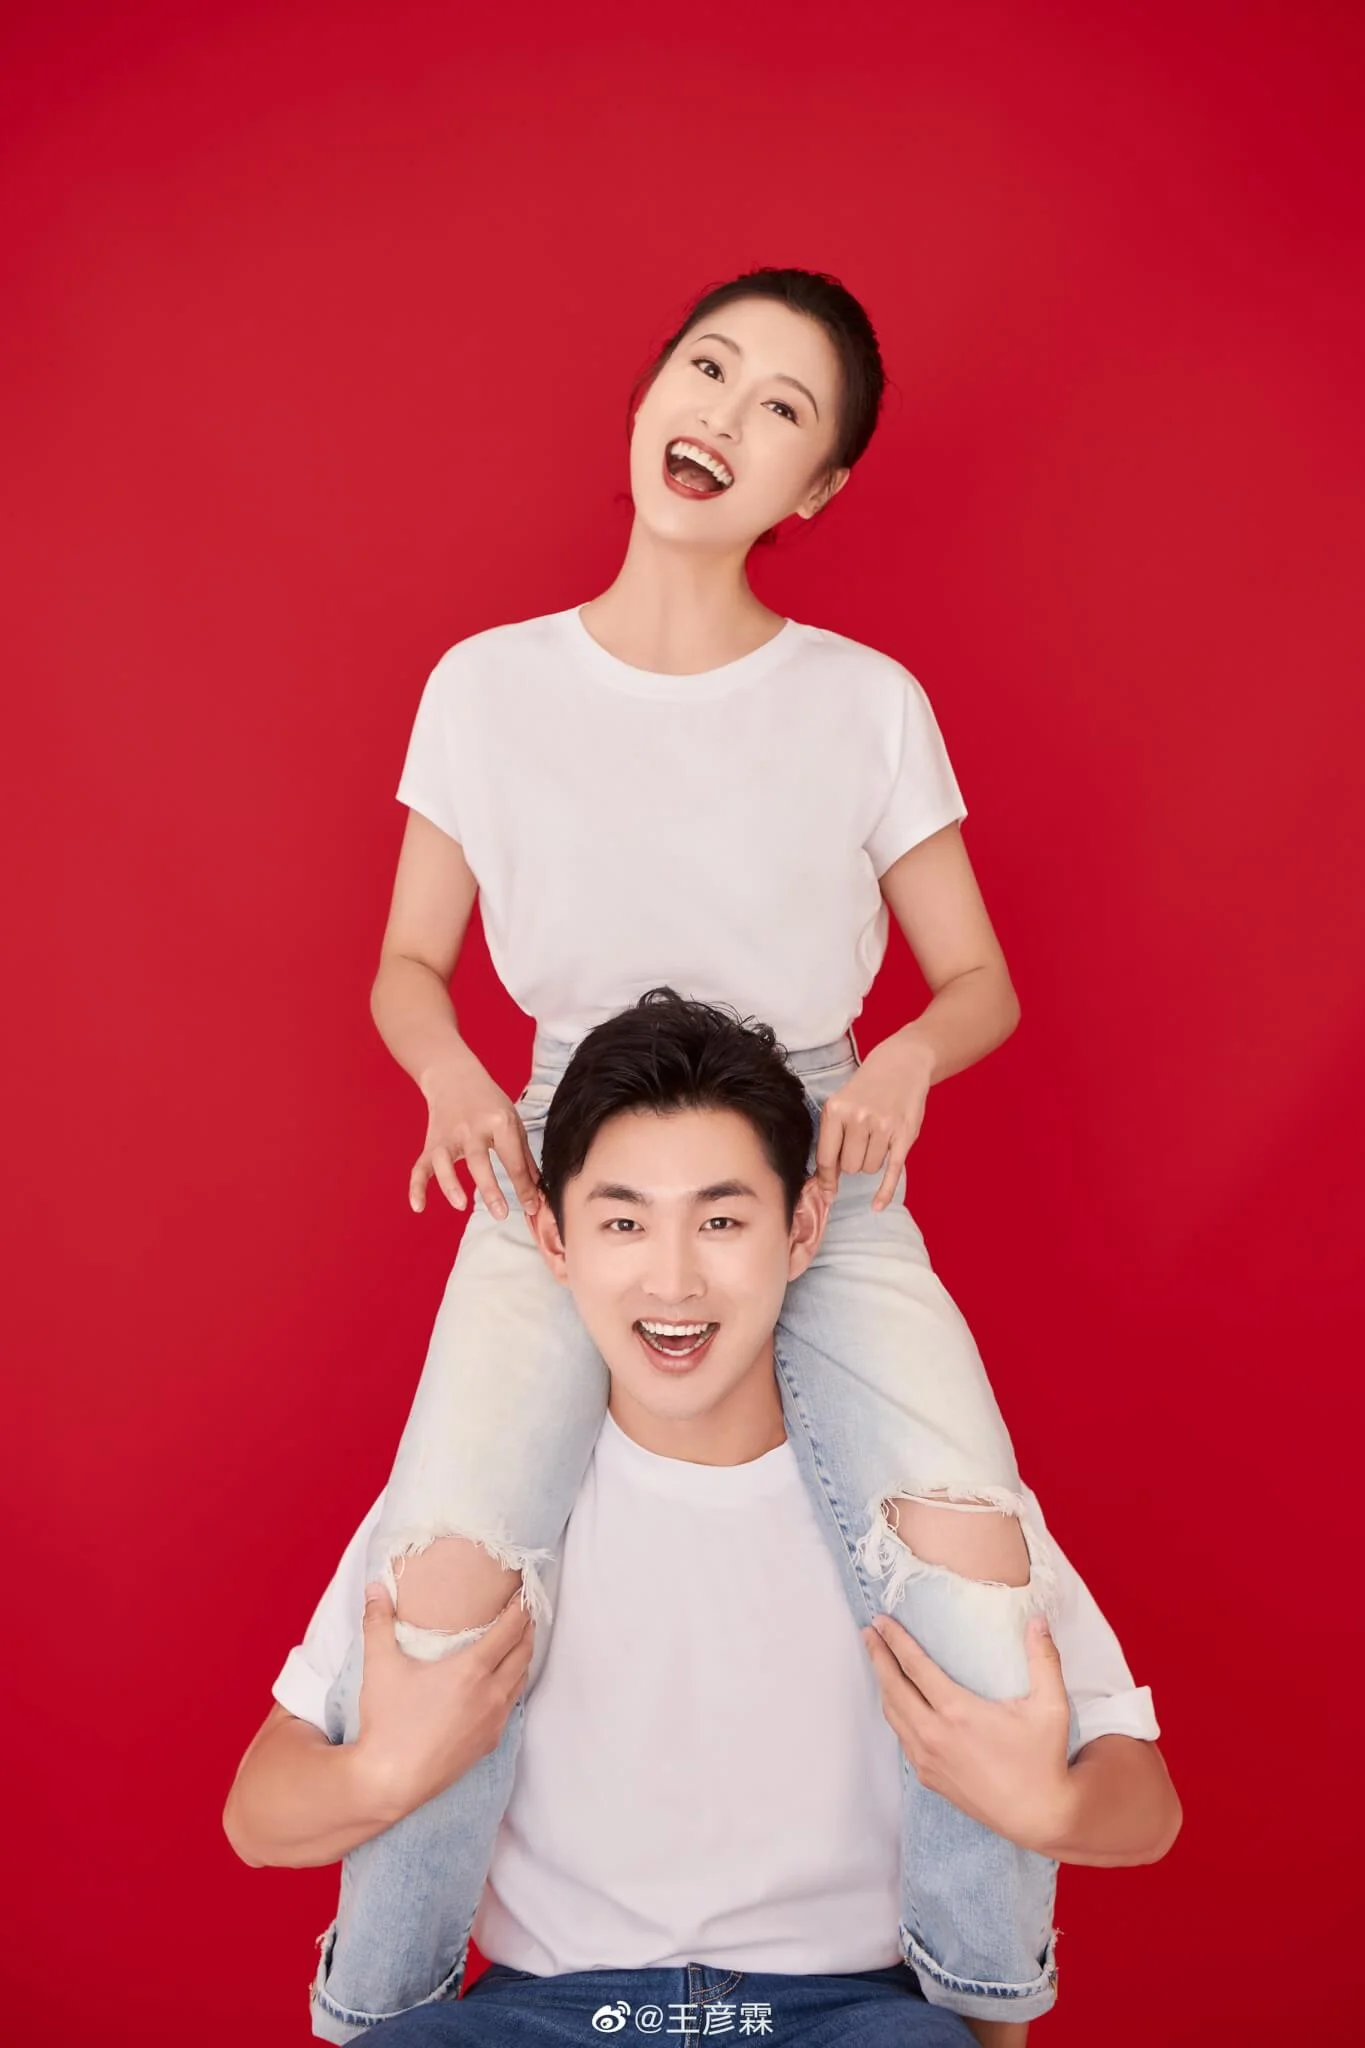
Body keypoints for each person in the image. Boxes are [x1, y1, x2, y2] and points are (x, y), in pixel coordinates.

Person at [317, 264, 1113, 2035]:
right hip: (562, 1156)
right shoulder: (486, 686)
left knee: (974, 1555)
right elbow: (405, 964)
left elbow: (979, 979)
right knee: (444, 1580)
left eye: (782, 411)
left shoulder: (864, 700)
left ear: (814, 488)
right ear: (648, 392)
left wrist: (903, 1055)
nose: (723, 418)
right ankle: (377, 2010)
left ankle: (982, 2000)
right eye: (708, 368)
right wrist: (448, 1073)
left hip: (816, 1155)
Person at [224, 994, 1180, 2047]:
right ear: (553, 1239)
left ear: (801, 1230)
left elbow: (1147, 1801)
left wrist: (1050, 1808)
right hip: (546, 2015)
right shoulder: (476, 1510)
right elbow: (255, 1812)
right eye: (623, 1222)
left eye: (721, 1221)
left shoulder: (921, 1506)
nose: (673, 1279)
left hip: (844, 2016)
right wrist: (381, 1773)